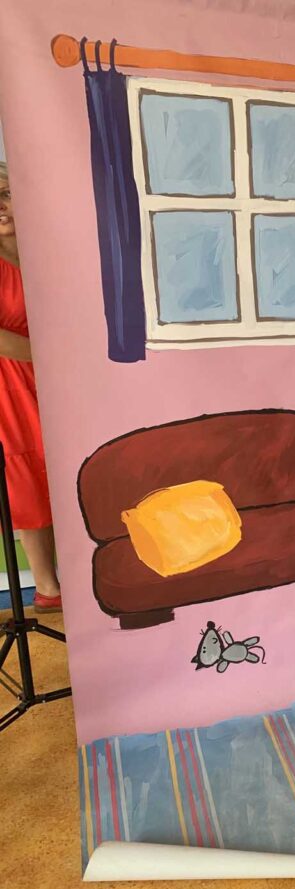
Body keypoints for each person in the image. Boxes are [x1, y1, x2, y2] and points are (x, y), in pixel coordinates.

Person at [0, 161, 61, 611]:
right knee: (26, 477)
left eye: (5, 193)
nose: (0, 206)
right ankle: (48, 588)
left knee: (61, 471)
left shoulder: (47, 249)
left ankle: (71, 578)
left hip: (59, 379)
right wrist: (56, 356)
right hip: (10, 382)